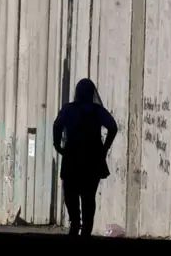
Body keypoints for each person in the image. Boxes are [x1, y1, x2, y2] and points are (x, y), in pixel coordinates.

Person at [53, 78, 118, 237]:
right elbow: (113, 127)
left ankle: (75, 223)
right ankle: (86, 230)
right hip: (92, 159)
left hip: (72, 158)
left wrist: (58, 146)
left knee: (71, 194)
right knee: (89, 197)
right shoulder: (97, 111)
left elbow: (57, 126)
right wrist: (104, 148)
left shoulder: (69, 110)